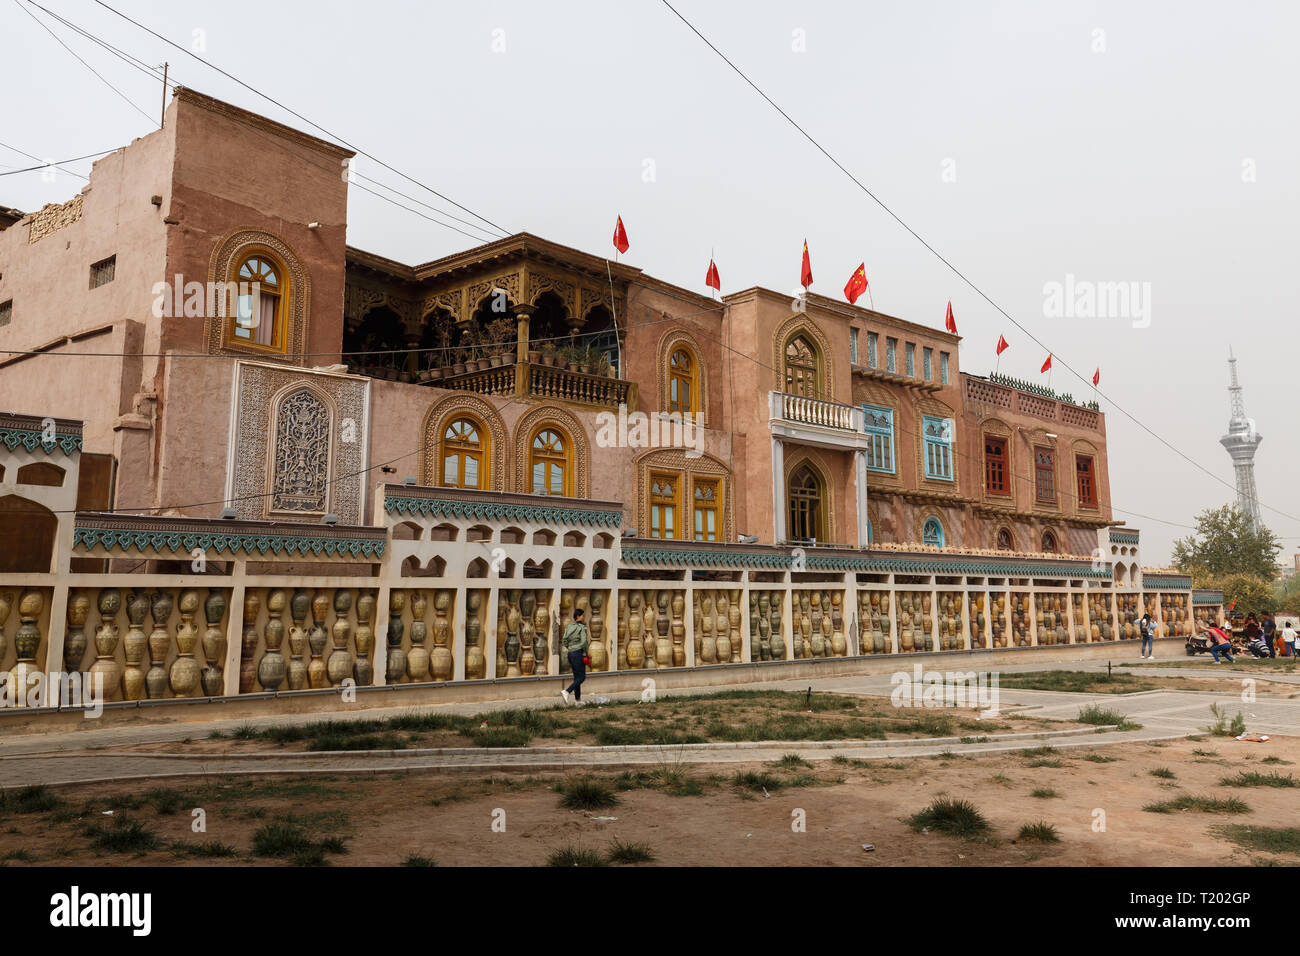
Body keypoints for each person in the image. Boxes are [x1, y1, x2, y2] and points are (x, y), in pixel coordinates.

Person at [560, 608, 590, 705]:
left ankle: (578, 700)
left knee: (577, 677)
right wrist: (586, 653)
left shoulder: (569, 626)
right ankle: (567, 691)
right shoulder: (582, 628)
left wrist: (570, 647)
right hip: (577, 654)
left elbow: (564, 640)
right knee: (582, 677)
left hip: (570, 654)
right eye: (582, 616)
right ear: (578, 617)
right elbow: (584, 642)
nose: (584, 617)